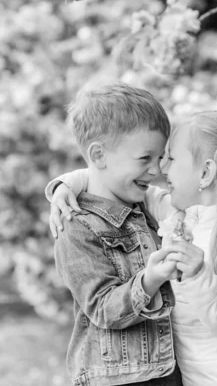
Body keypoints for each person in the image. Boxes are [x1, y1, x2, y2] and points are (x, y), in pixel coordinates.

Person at [49, 110, 217, 386]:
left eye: (171, 158)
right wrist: (66, 185)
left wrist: (199, 276)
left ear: (206, 173)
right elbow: (111, 177)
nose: (161, 168)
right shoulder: (180, 213)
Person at [50, 83, 193, 386]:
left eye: (159, 158)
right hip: (119, 378)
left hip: (166, 370)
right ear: (99, 155)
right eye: (144, 159)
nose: (156, 171)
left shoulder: (147, 208)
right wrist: (150, 279)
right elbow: (102, 308)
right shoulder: (76, 226)